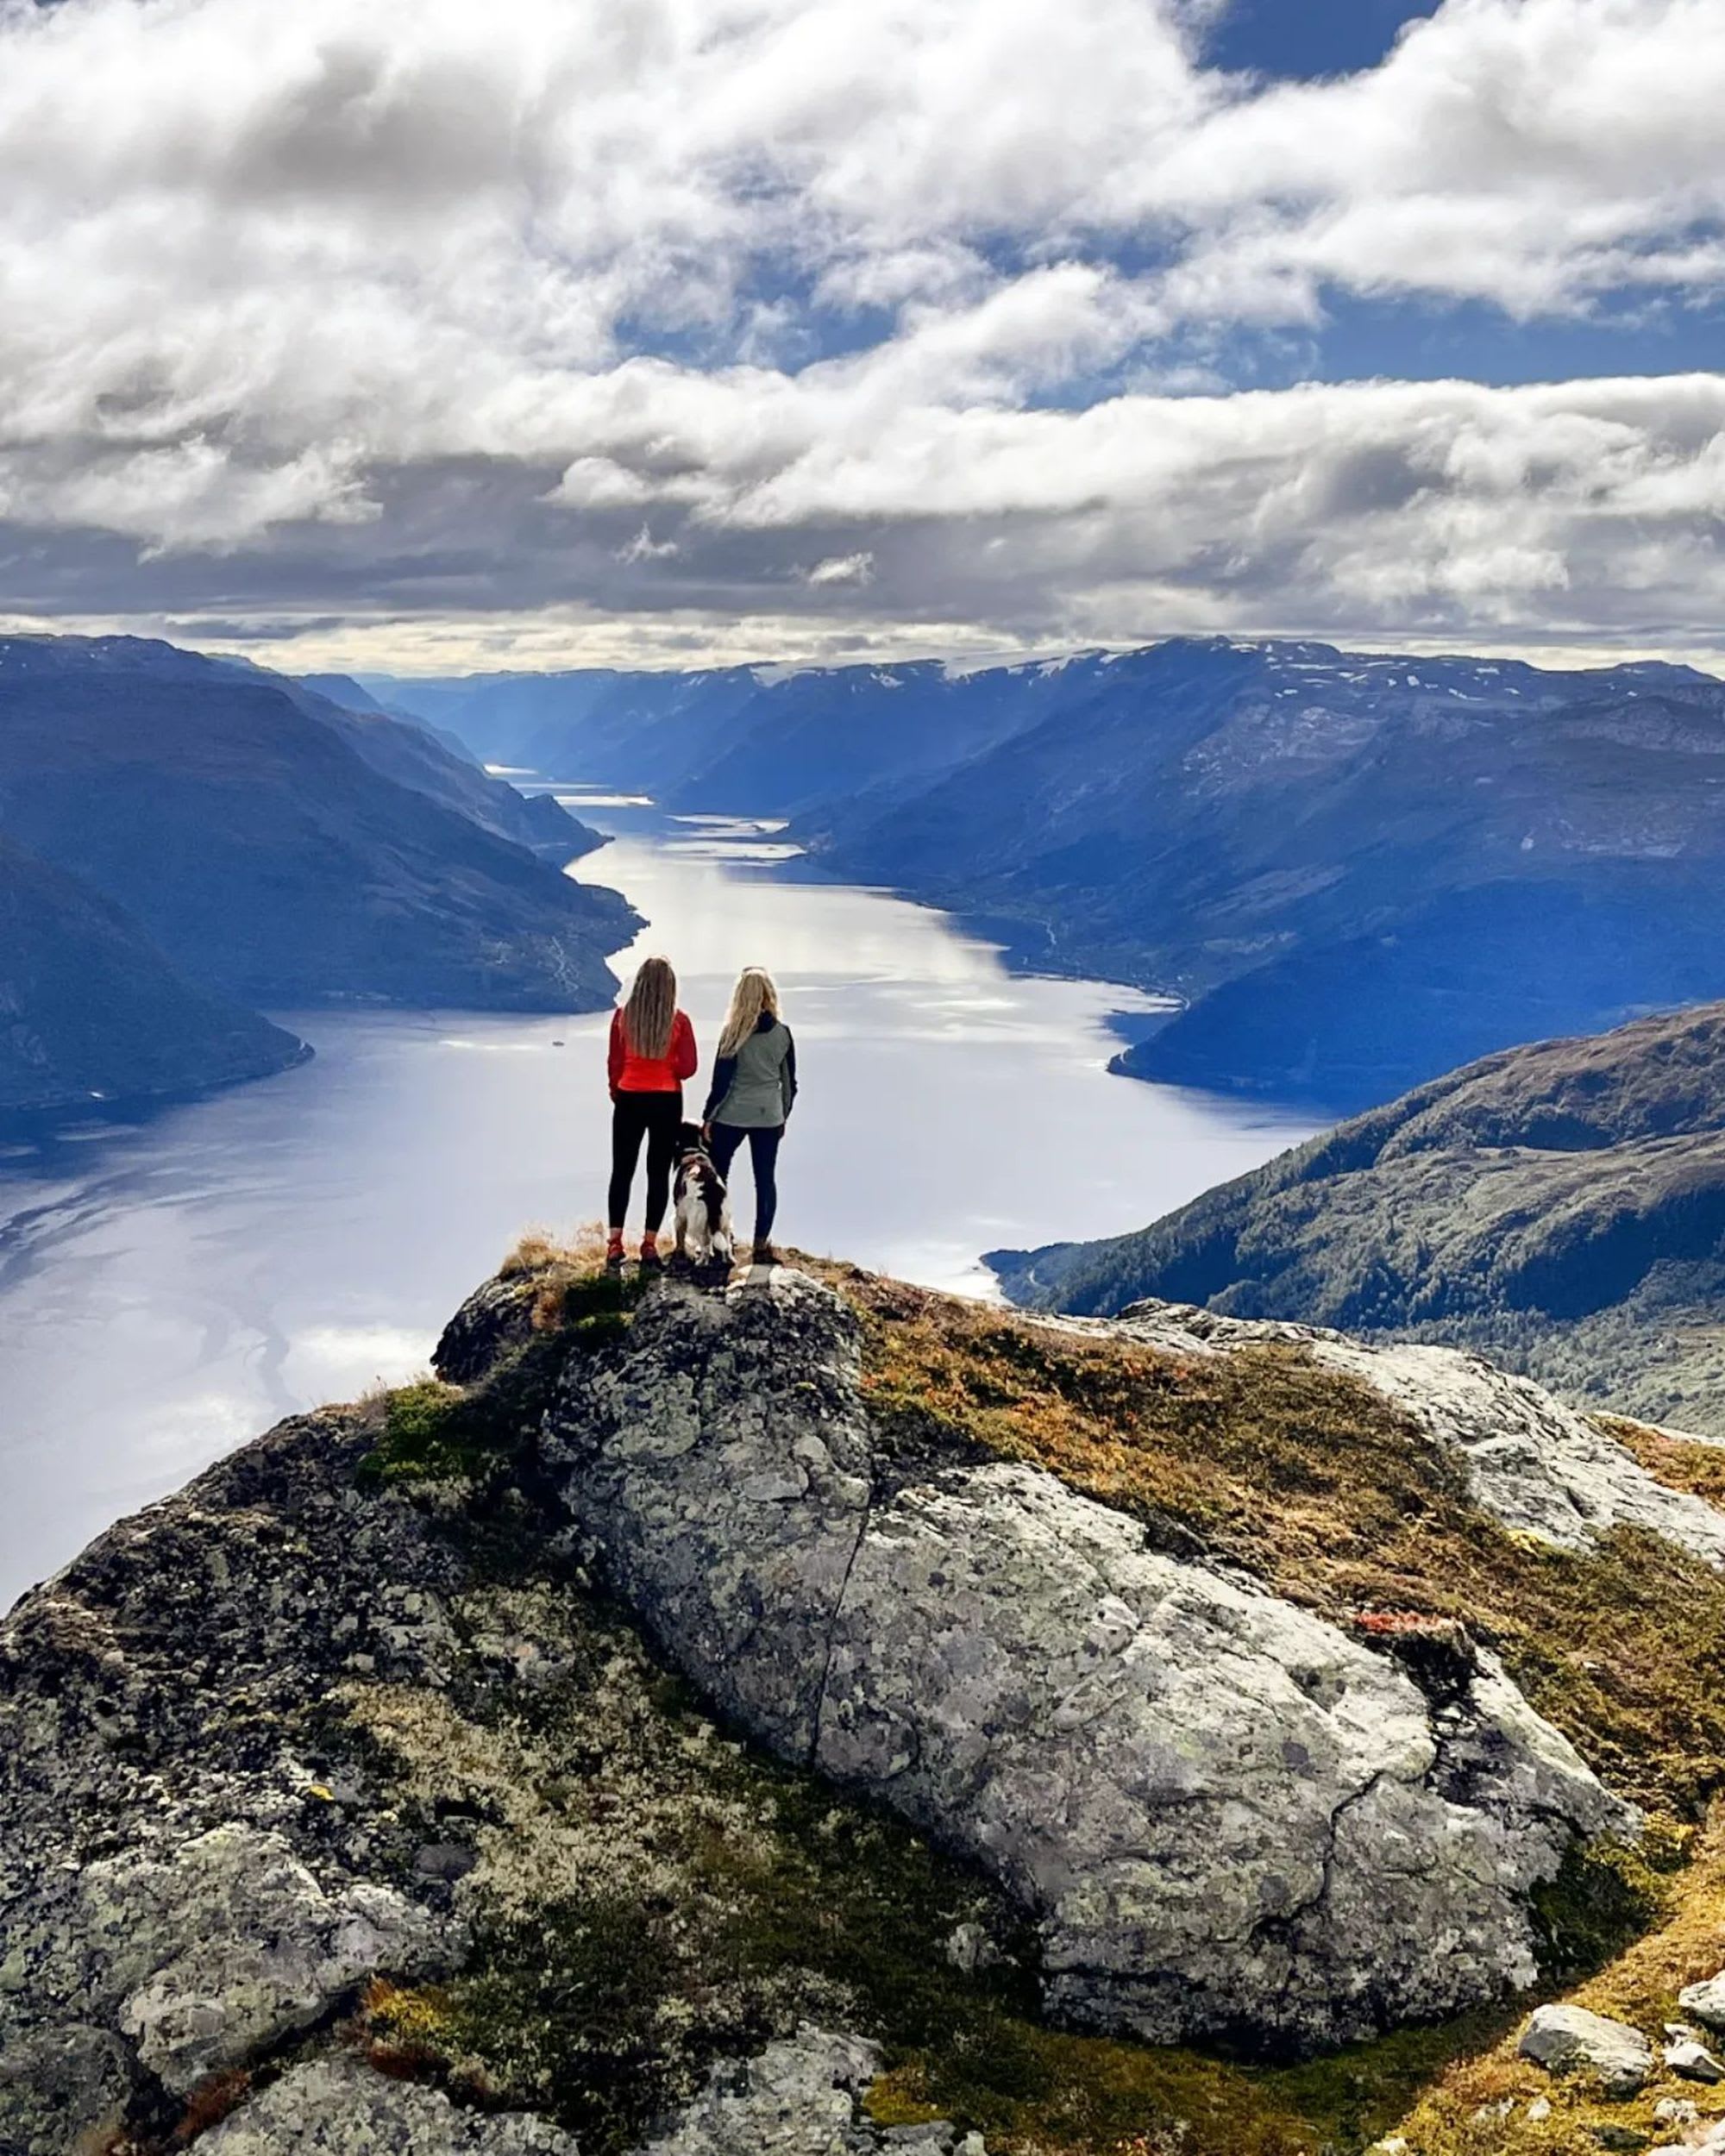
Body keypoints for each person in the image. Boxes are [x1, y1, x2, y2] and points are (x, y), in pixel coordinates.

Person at [606, 956, 698, 1271]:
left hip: (629, 1098)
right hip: (666, 1101)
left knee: (622, 1171)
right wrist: (667, 1062)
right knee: (657, 1173)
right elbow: (688, 1068)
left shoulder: (622, 1017)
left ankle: (615, 1243)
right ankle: (648, 1244)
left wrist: (617, 1091)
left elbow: (615, 1062)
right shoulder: (679, 1021)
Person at [702, 967, 796, 1265]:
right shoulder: (782, 1034)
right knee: (765, 1180)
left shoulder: (732, 1034)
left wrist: (708, 1118)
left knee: (718, 1177)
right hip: (768, 1116)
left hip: (732, 1114)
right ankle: (761, 1243)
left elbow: (721, 1083)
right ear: (770, 995)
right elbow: (789, 1083)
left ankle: (720, 1237)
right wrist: (783, 1116)